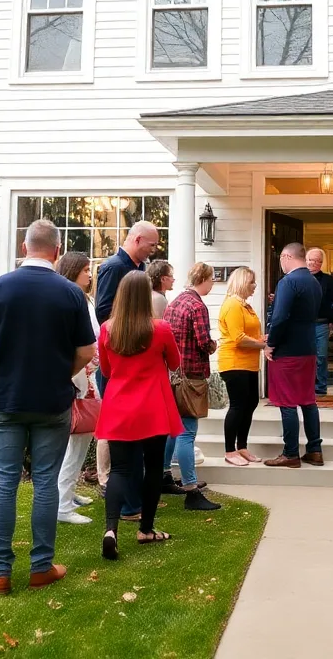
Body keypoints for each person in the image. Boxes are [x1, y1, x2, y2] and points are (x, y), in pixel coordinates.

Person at [0, 219, 96, 594]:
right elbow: (87, 351)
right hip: (52, 400)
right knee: (45, 482)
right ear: (57, 252)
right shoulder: (70, 294)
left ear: (24, 247)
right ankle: (41, 566)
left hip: (7, 399)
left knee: (5, 482)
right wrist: (63, 374)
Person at [96, 271, 185, 559]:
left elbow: (107, 371)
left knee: (120, 469)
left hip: (120, 404)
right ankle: (146, 529)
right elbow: (174, 362)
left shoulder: (109, 329)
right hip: (153, 406)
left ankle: (111, 529)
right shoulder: (160, 329)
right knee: (153, 467)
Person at [93, 221, 159, 518]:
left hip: (133, 364)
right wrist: (133, 335)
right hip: (120, 364)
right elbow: (104, 310)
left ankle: (135, 498)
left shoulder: (138, 267)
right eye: (152, 245)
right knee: (124, 441)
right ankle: (126, 500)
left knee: (137, 439)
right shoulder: (113, 267)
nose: (154, 250)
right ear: (138, 239)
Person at [161, 263, 221, 510]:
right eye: (212, 280)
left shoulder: (175, 302)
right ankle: (191, 489)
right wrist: (213, 345)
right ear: (204, 279)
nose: (213, 284)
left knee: (171, 428)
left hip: (171, 373)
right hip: (191, 375)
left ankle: (163, 475)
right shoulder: (197, 306)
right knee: (187, 431)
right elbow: (203, 341)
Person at [264, 243, 325, 468]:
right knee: (308, 400)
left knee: (287, 402)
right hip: (308, 347)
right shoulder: (314, 282)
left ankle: (290, 453)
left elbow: (280, 318)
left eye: (281, 259)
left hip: (288, 350)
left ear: (286, 256)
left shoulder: (288, 282)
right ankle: (315, 450)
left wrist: (271, 343)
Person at [55, 252, 100, 525]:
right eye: (85, 269)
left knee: (81, 437)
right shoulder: (71, 300)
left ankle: (68, 493)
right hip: (78, 376)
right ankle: (61, 504)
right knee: (77, 437)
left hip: (88, 374)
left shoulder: (86, 299)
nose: (89, 274)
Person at [219, 267, 266, 467]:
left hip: (249, 363)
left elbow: (252, 334)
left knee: (251, 403)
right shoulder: (232, 305)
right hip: (234, 362)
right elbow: (238, 338)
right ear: (241, 283)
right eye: (251, 282)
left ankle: (242, 446)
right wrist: (262, 344)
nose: (255, 286)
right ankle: (230, 450)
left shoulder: (246, 306)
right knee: (238, 405)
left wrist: (261, 340)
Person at [306, 248, 333, 397]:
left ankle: (320, 388)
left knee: (321, 356)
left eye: (317, 261)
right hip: (302, 325)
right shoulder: (297, 278)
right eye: (311, 260)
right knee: (304, 357)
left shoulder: (330, 281)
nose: (313, 263)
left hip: (321, 323)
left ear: (321, 263)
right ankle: (305, 387)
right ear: (305, 260)